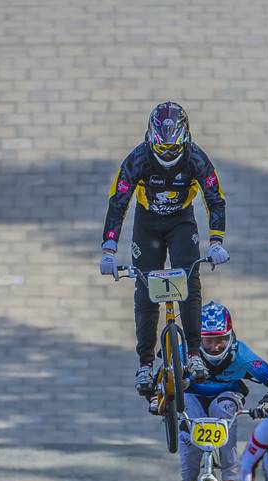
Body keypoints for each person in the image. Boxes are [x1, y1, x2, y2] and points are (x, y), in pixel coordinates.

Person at [98, 102, 229, 397]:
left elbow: (215, 198)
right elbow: (118, 201)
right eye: (162, 151)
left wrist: (217, 241)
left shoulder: (197, 159)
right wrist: (108, 248)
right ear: (150, 141)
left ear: (185, 140)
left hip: (182, 221)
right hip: (147, 224)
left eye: (174, 150)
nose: (168, 156)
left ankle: (195, 354)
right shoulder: (137, 159)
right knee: (144, 289)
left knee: (190, 282)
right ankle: (145, 362)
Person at [177, 301, 268, 481]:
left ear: (230, 336)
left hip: (227, 395)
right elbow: (163, 380)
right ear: (197, 340)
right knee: (189, 436)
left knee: (224, 412)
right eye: (208, 341)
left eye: (221, 339)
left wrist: (267, 403)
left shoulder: (242, 355)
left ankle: (229, 480)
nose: (215, 347)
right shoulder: (183, 352)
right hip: (193, 395)